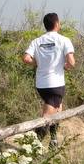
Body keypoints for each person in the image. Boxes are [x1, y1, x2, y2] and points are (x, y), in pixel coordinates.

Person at [23, 13, 75, 148]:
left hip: (41, 83)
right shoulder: (64, 40)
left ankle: (53, 140)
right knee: (47, 116)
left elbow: (26, 58)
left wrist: (38, 63)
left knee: (58, 110)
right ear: (57, 24)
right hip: (56, 83)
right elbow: (71, 62)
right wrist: (66, 66)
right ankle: (33, 146)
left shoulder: (37, 41)